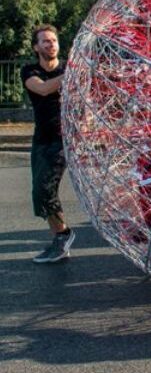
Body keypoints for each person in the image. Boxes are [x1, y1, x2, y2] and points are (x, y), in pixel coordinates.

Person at [21, 24, 75, 264]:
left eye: (53, 40)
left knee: (45, 188)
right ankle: (60, 240)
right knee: (39, 194)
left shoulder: (67, 67)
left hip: (63, 138)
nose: (51, 44)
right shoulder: (29, 70)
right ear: (36, 47)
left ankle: (64, 235)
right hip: (41, 139)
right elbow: (42, 89)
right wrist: (72, 73)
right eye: (45, 41)